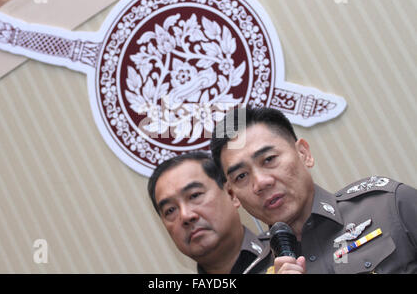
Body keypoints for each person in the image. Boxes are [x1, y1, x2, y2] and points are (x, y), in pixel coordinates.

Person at [210, 107, 417, 274]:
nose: (261, 182)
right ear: (232, 195)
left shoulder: (388, 205)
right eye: (242, 176)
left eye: (269, 159)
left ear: (303, 153)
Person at [147, 151, 271, 274]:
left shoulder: (286, 252)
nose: (185, 216)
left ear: (231, 194)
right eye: (170, 210)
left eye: (194, 195)